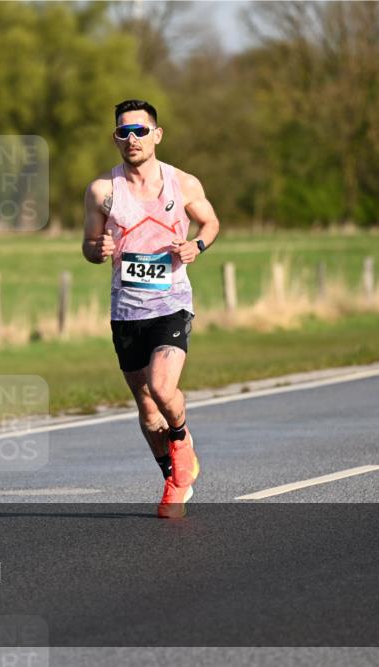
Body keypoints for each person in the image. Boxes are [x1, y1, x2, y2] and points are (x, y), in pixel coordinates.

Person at [81, 99, 220, 518]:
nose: (132, 139)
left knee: (162, 388)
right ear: (116, 139)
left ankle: (181, 442)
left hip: (171, 305)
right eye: (124, 132)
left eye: (140, 131)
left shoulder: (184, 184)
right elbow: (89, 246)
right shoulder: (103, 191)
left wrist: (196, 245)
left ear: (156, 135)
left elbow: (211, 223)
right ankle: (174, 478)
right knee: (145, 407)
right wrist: (97, 248)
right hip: (126, 312)